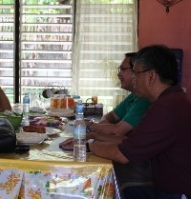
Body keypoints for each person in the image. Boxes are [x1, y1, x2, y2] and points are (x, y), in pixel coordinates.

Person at [89, 45, 191, 199]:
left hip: (174, 193)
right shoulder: (172, 99)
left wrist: (88, 145)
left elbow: (122, 154)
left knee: (107, 189)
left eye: (136, 74)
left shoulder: (165, 107)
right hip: (167, 184)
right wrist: (91, 137)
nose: (134, 79)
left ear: (151, 76)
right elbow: (129, 141)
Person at [61, 53, 153, 191]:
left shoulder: (147, 101)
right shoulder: (135, 96)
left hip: (143, 178)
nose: (118, 74)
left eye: (123, 69)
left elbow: (119, 138)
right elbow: (113, 121)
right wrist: (94, 135)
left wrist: (89, 138)